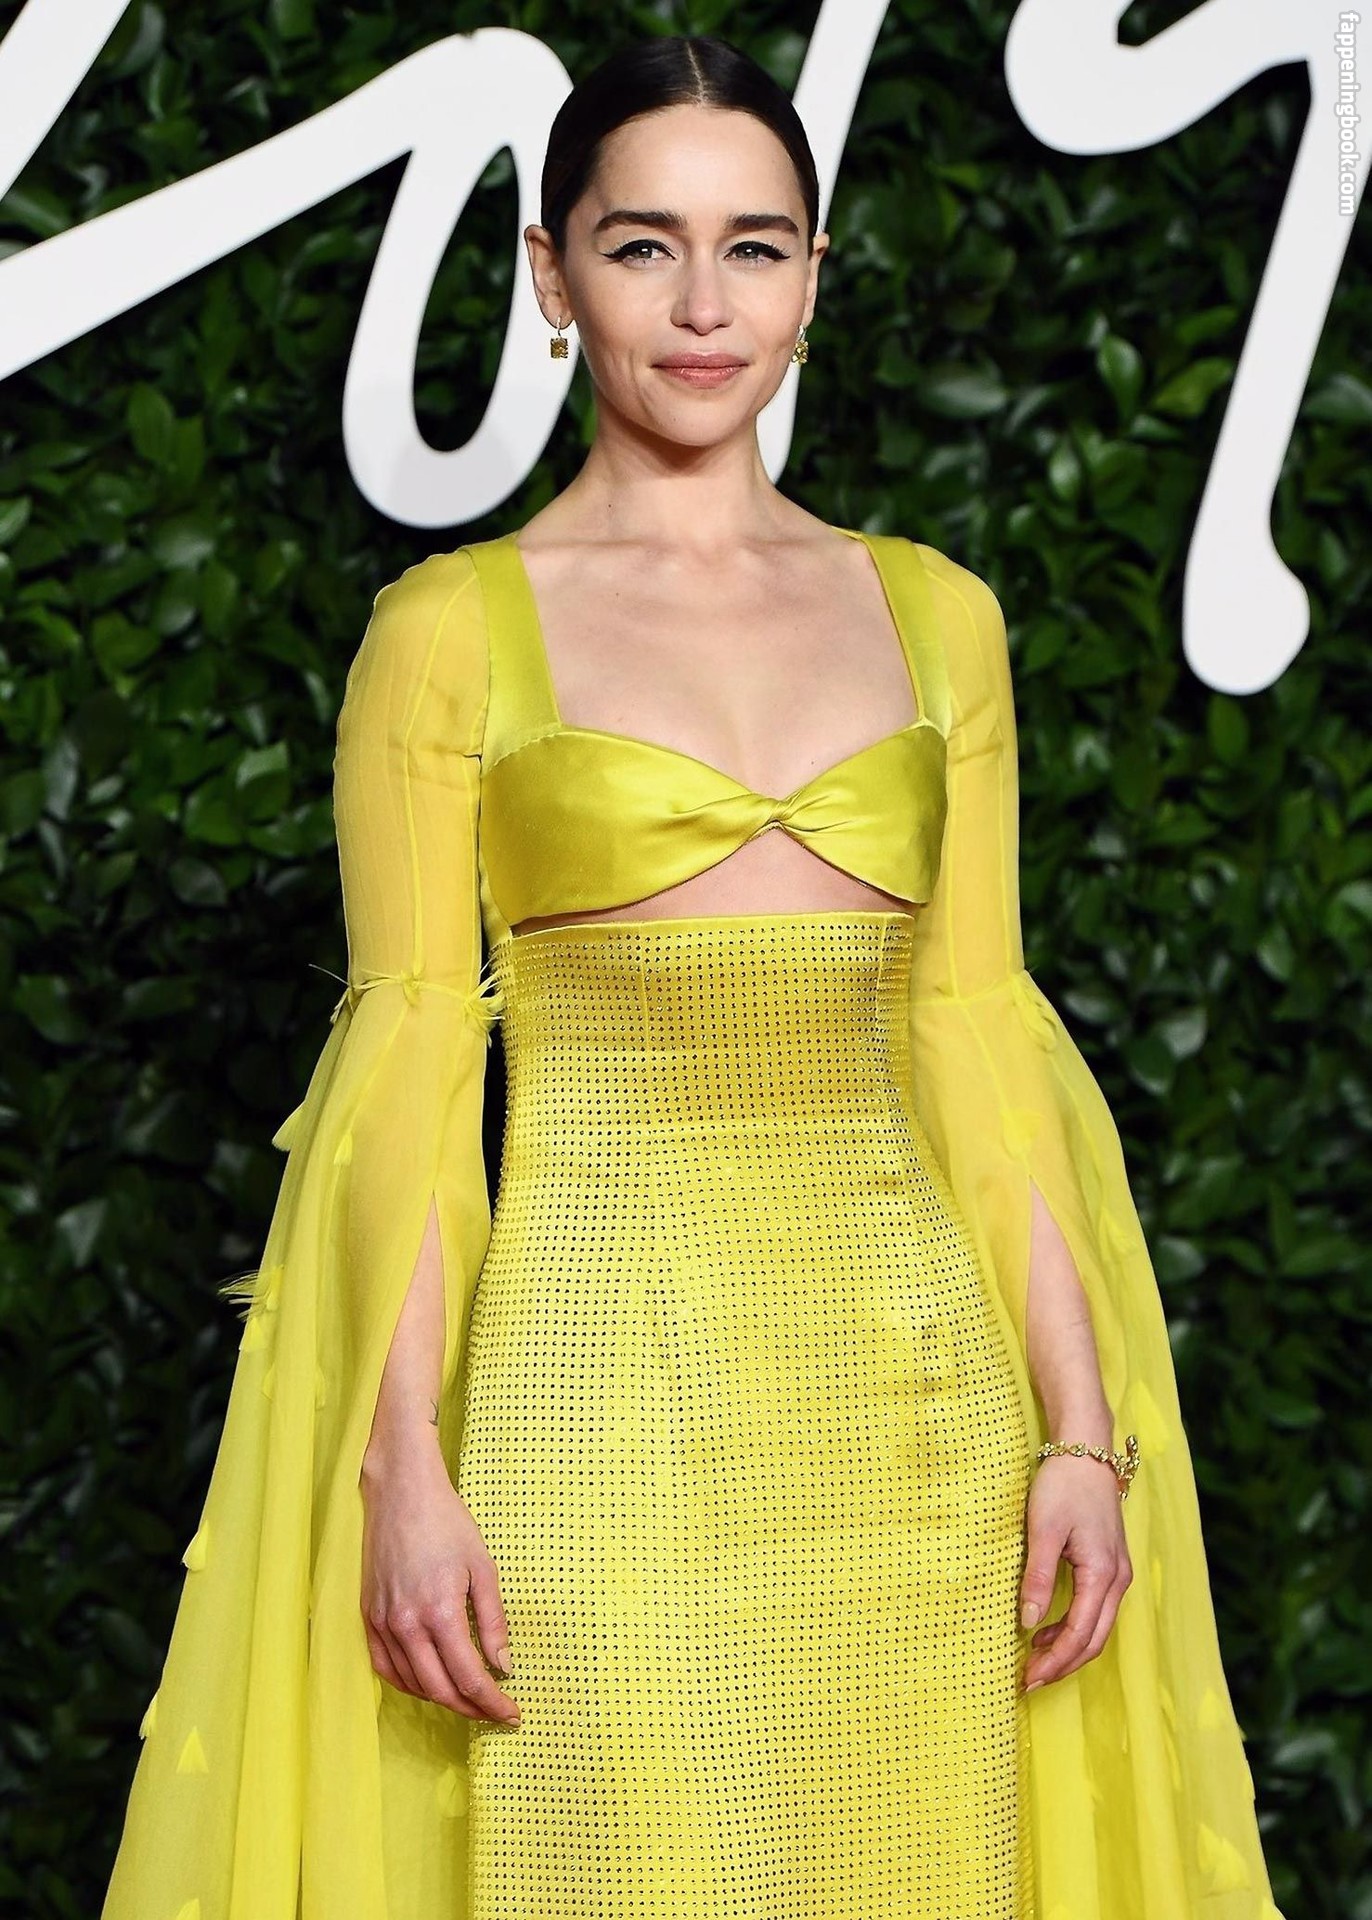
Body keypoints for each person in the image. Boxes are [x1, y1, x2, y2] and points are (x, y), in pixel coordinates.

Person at [101, 32, 1283, 1920]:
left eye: (756, 246)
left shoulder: (938, 615)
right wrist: (403, 1467)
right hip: (587, 1403)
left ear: (816, 275)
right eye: (643, 245)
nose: (704, 303)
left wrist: (1078, 1433)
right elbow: (406, 1074)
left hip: (916, 1409)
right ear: (553, 275)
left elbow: (980, 1043)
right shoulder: (450, 631)